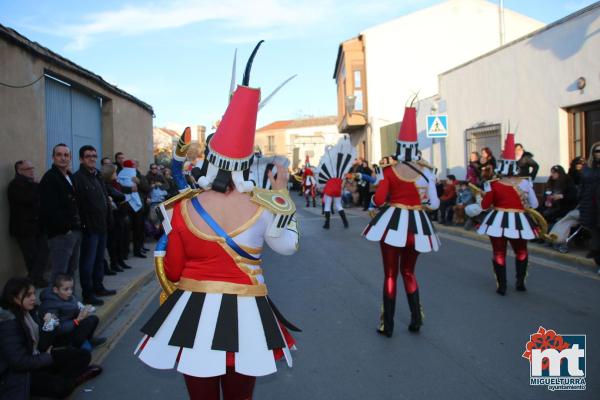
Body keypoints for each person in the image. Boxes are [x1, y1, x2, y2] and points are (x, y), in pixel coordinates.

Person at [135, 42, 300, 400]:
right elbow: (288, 246)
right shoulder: (265, 205)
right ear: (248, 163)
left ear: (208, 159)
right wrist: (283, 196)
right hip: (248, 316)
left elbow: (173, 267)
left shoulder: (179, 207)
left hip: (193, 314)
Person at [363, 103, 440, 336]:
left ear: (398, 146)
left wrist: (380, 181)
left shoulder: (388, 169)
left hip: (392, 225)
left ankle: (388, 325)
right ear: (416, 147)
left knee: (390, 274)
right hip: (418, 227)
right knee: (409, 272)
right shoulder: (428, 171)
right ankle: (416, 319)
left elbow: (378, 200)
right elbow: (434, 205)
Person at [0, 277, 101, 399]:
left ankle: (55, 377)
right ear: (14, 298)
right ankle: (69, 381)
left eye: (33, 293)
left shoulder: (30, 312)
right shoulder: (9, 324)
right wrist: (46, 357)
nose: (33, 298)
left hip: (39, 357)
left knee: (83, 356)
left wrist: (49, 327)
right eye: (28, 295)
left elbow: (42, 344)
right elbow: (19, 362)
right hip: (23, 373)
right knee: (63, 387)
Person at [477, 132, 539, 295]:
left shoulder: (493, 184)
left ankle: (502, 285)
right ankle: (520, 282)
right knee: (522, 251)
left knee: (498, 253)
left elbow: (484, 206)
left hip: (497, 221)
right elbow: (535, 204)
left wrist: (484, 196)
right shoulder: (525, 183)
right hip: (520, 221)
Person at [72, 145, 116, 306]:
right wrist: (83, 224)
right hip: (89, 228)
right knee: (87, 263)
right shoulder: (78, 178)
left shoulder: (97, 176)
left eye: (94, 155)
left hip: (102, 226)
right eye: (88, 156)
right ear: (81, 159)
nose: (92, 158)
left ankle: (98, 287)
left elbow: (105, 199)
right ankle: (88, 293)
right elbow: (79, 205)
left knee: (99, 260)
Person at [39, 144, 82, 285]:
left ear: (70, 158)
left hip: (74, 231)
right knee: (59, 272)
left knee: (71, 270)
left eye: (66, 155)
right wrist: (66, 230)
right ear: (53, 157)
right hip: (60, 235)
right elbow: (48, 209)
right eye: (59, 154)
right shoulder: (50, 178)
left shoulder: (70, 176)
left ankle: (70, 301)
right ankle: (55, 304)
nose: (63, 158)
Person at [7, 160, 49, 288]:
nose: (32, 171)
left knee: (42, 254)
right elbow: (29, 199)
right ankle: (32, 281)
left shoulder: (31, 184)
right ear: (19, 171)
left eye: (32, 168)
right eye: (28, 169)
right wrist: (37, 186)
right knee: (31, 257)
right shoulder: (15, 185)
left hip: (37, 227)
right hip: (24, 228)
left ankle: (35, 279)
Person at [38, 274, 105, 350]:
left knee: (93, 319)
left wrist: (84, 309)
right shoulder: (50, 305)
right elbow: (58, 329)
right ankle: (75, 346)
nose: (70, 292)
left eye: (71, 288)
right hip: (60, 337)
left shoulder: (68, 296)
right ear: (55, 290)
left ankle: (87, 340)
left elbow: (74, 308)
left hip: (71, 327)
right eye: (66, 289)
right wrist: (77, 320)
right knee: (88, 324)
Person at [317, 138, 355, 229]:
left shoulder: (329, 162)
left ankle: (327, 224)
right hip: (338, 186)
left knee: (327, 205)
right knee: (338, 205)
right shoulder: (341, 165)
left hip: (330, 185)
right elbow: (347, 175)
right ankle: (345, 222)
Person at [100, 164, 130, 273]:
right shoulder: (105, 184)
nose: (116, 174)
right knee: (112, 243)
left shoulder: (114, 184)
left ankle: (118, 261)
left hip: (119, 216)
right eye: (114, 172)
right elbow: (119, 196)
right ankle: (113, 264)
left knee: (118, 241)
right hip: (113, 217)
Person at [579, 141, 600, 268]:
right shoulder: (587, 169)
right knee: (596, 240)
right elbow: (582, 189)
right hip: (591, 208)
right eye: (597, 151)